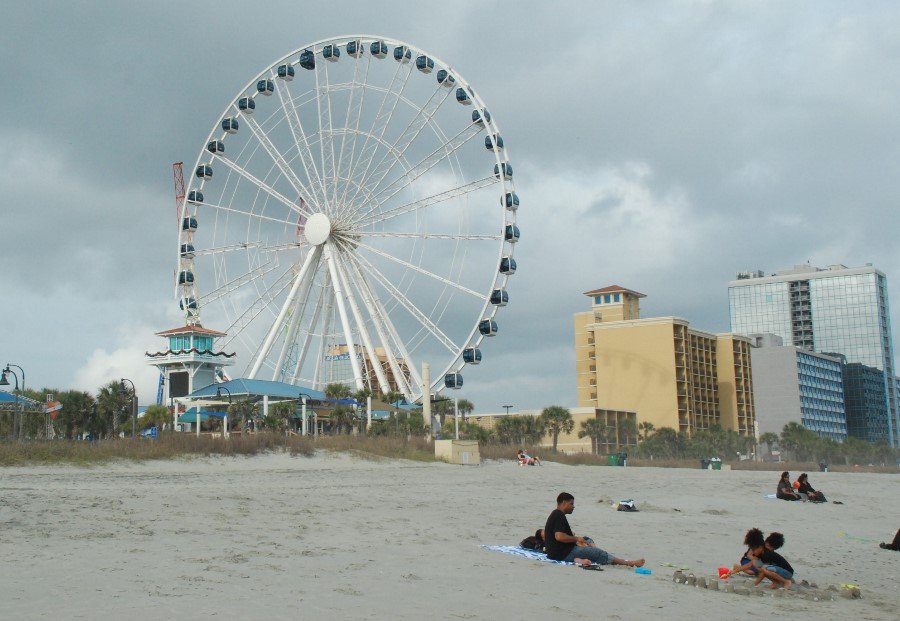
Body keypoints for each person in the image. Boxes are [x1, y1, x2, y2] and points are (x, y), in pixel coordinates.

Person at [543, 492, 644, 568]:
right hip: (562, 554)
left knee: (587, 539)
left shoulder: (557, 514)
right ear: (564, 503)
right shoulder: (558, 515)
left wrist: (578, 540)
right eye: (571, 504)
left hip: (559, 552)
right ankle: (629, 563)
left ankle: (588, 551)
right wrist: (576, 539)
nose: (573, 507)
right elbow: (559, 537)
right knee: (598, 553)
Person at [729, 529, 794, 589]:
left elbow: (763, 572)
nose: (753, 552)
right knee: (762, 567)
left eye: (754, 550)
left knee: (764, 568)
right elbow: (750, 564)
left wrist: (755, 584)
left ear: (760, 547)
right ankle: (776, 583)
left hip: (787, 573)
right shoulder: (761, 553)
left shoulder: (767, 555)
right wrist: (732, 572)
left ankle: (786, 582)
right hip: (778, 571)